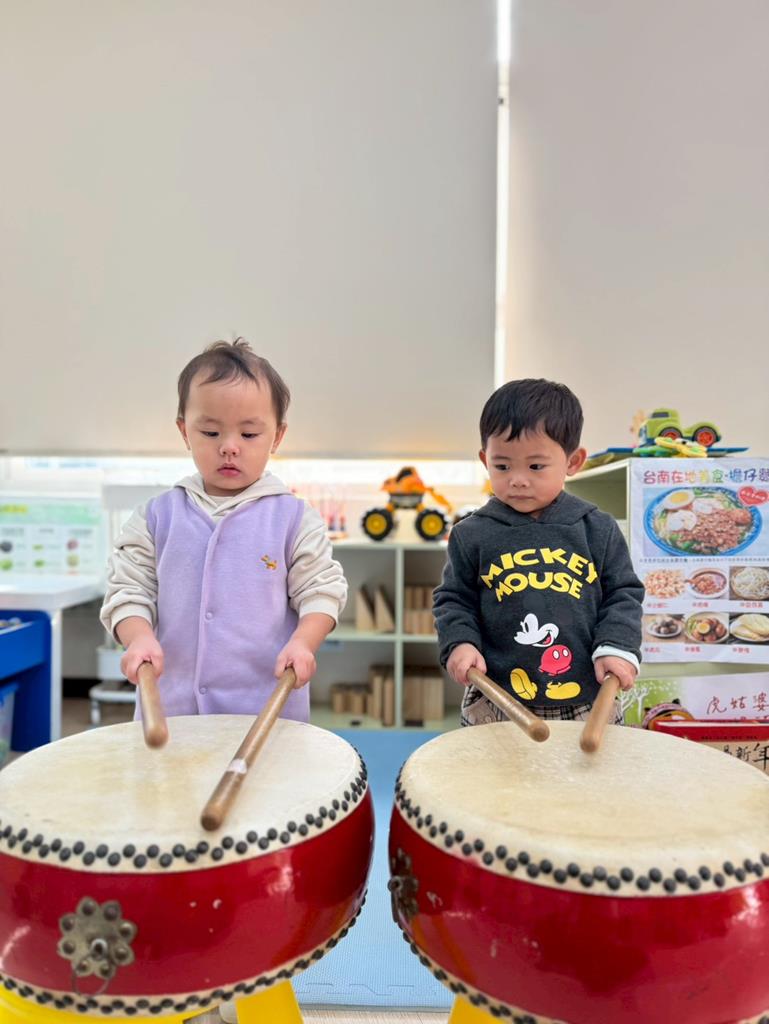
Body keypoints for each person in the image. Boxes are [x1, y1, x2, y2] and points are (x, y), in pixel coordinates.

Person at [100, 338, 347, 723]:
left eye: (249, 435)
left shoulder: (294, 518)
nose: (229, 447)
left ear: (277, 436)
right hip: (174, 715)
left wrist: (304, 642)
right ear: (185, 431)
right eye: (211, 433)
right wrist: (139, 637)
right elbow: (128, 590)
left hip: (265, 716)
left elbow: (322, 590)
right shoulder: (155, 517)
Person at [434, 378, 643, 726]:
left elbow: (623, 593)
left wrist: (617, 645)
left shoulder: (597, 529)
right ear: (485, 460)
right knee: (489, 764)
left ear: (573, 461)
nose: (517, 479)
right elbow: (454, 599)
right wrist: (460, 642)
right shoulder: (471, 534)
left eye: (535, 466)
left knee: (590, 764)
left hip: (587, 695)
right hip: (496, 695)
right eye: (502, 466)